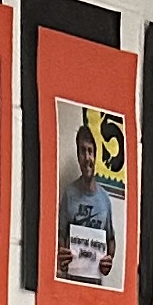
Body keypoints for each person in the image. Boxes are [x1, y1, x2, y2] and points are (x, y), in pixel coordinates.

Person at [55, 114, 123, 289]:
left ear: (96, 156)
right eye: (82, 151)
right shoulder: (69, 194)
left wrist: (109, 259)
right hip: (70, 282)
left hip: (96, 286)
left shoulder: (105, 200)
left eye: (90, 151)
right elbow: (60, 236)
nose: (87, 158)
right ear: (78, 156)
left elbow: (111, 240)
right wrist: (61, 255)